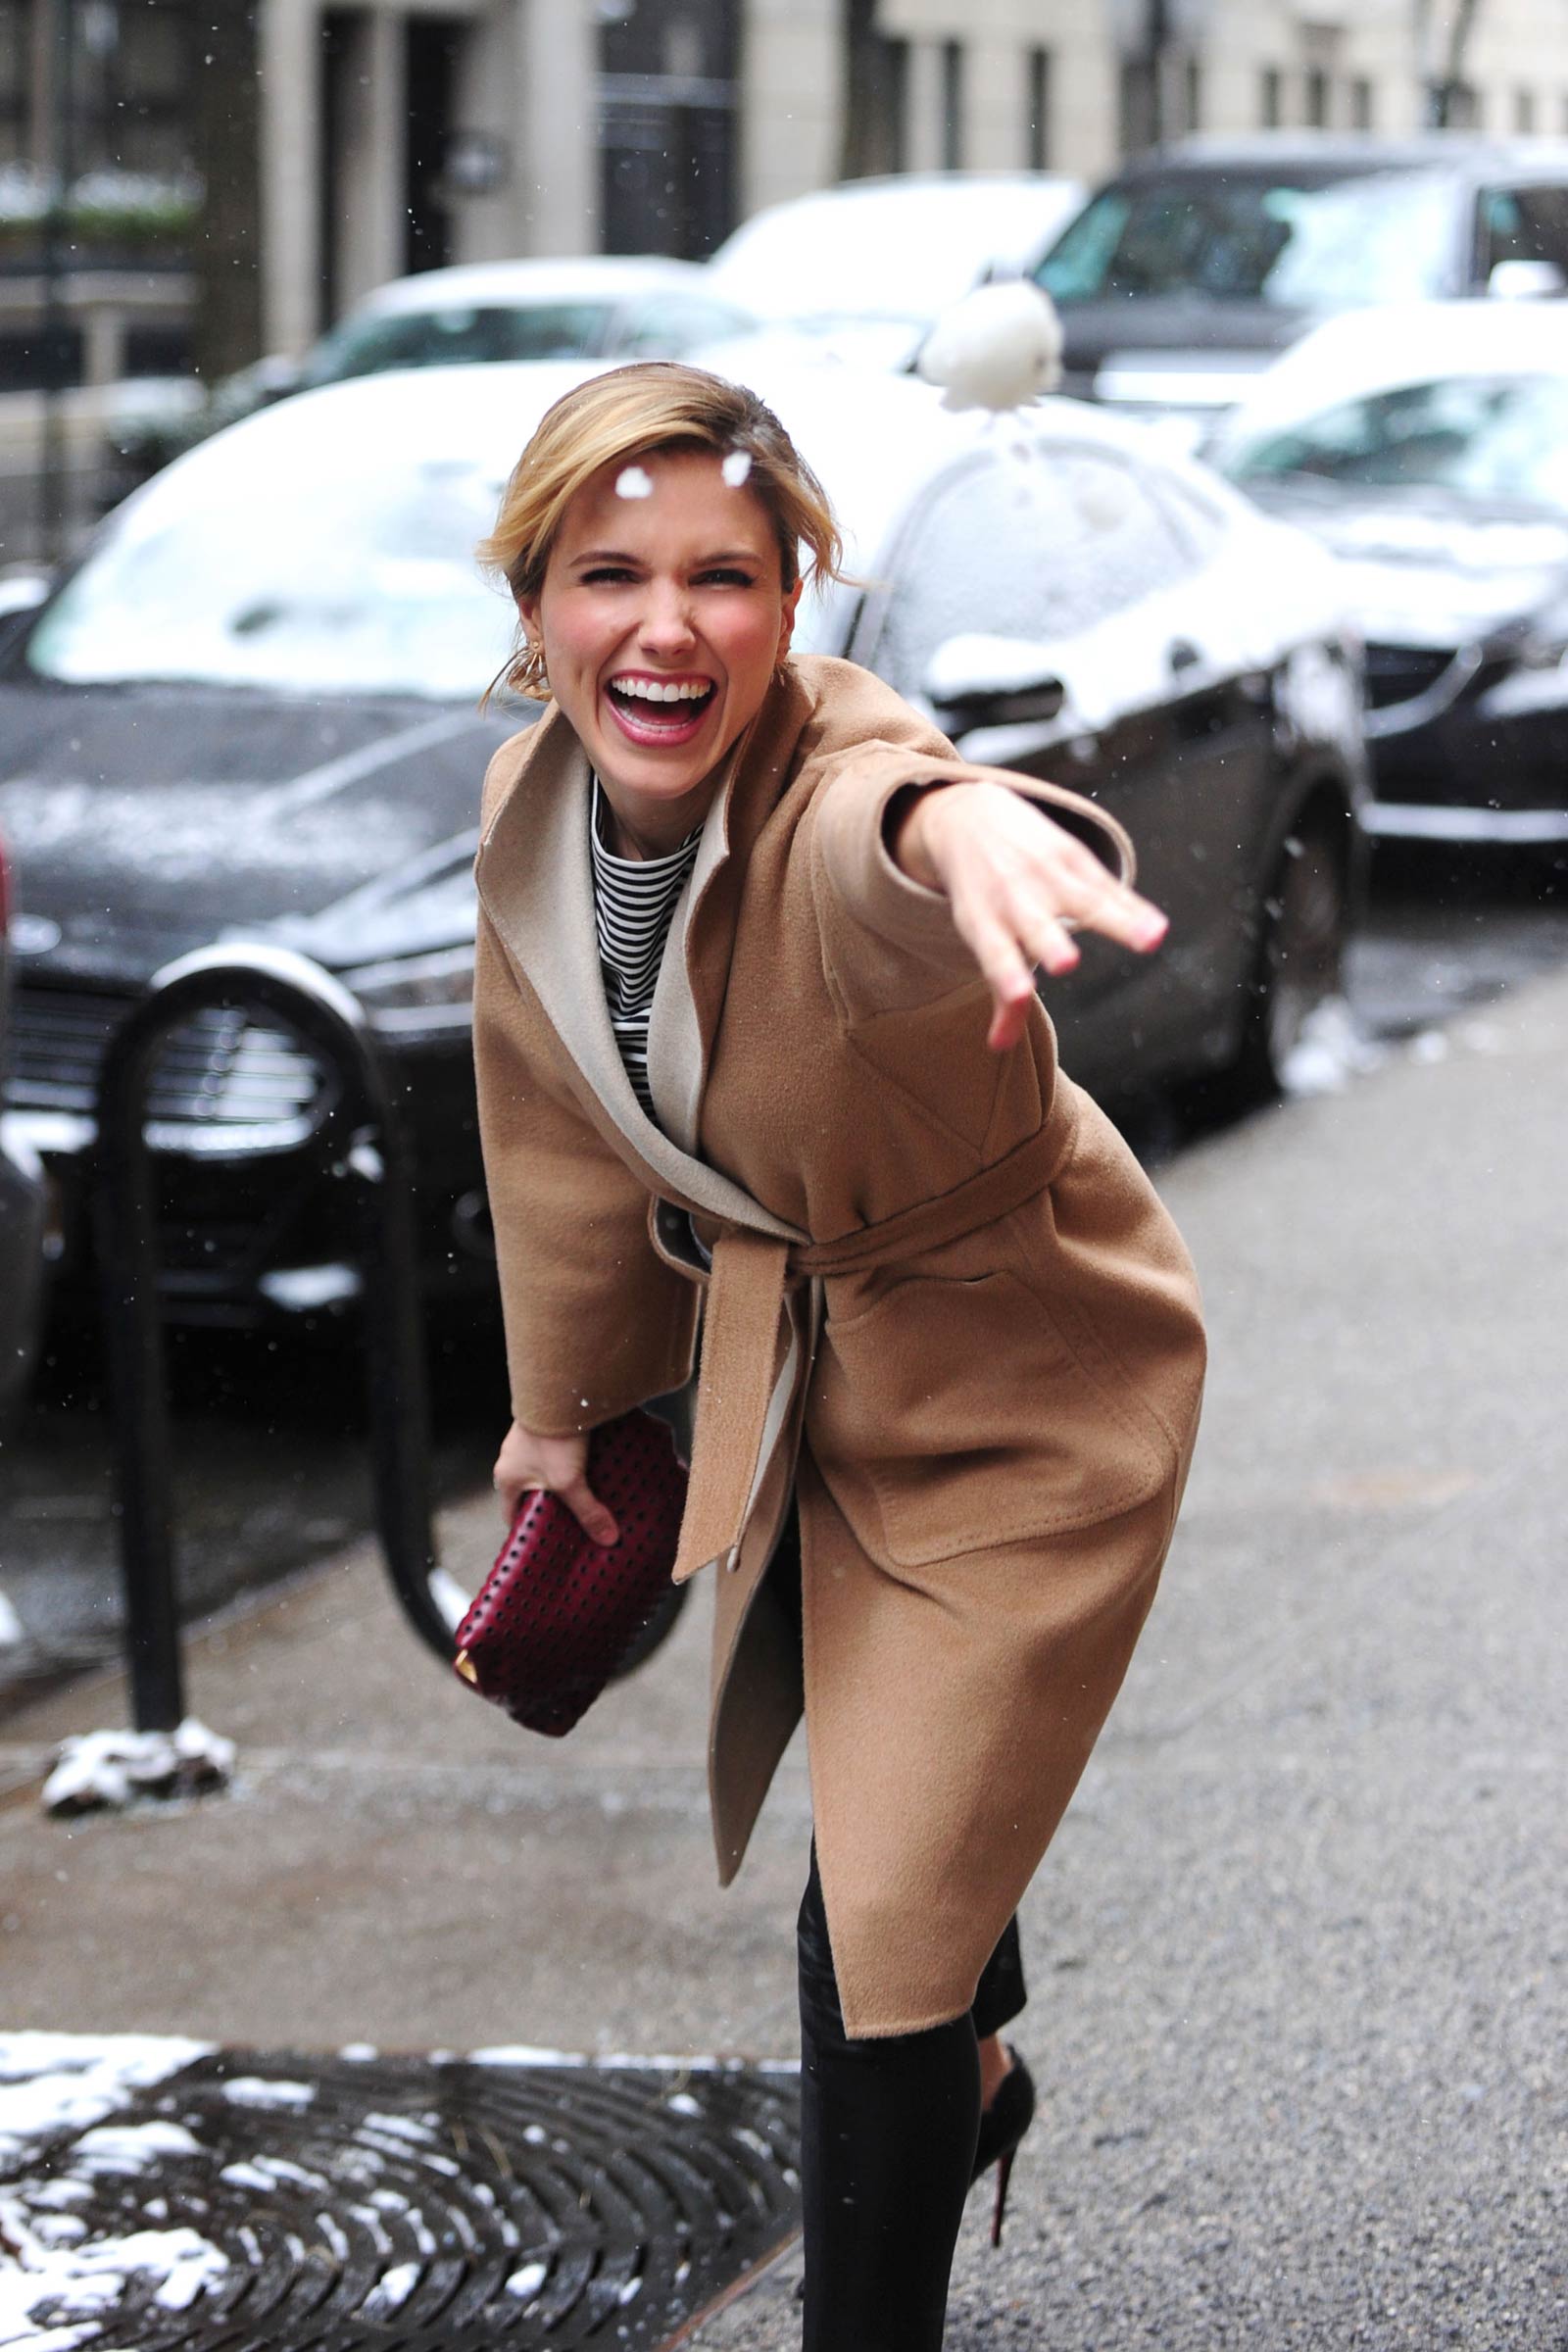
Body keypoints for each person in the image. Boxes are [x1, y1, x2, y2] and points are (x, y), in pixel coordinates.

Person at [471, 363, 1205, 2348]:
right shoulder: (528, 808)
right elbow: (548, 1127)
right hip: (790, 1376)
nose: (665, 625)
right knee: (905, 1816)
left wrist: (972, 836)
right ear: (531, 601)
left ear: (792, 610)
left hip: (1012, 1380)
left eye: (725, 576)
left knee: (873, 1920)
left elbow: (902, 813)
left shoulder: (832, 788)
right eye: (608, 573)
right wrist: (559, 1412)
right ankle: (966, 2054)